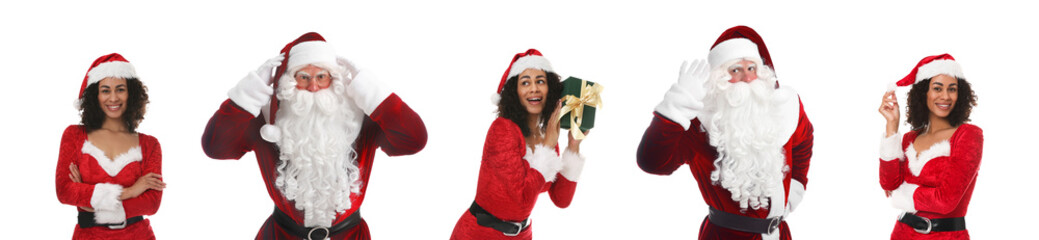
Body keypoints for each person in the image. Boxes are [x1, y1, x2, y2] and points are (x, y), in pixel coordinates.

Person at [201, 32, 427, 240]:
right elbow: (215, 147)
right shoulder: (267, 123)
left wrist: (372, 92)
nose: (313, 87)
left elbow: (414, 140)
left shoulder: (360, 121)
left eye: (321, 76)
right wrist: (249, 94)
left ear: (334, 79)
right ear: (290, 81)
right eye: (304, 77)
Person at [636, 26, 814, 240]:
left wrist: (796, 186)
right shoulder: (700, 124)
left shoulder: (783, 108)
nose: (747, 78)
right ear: (720, 78)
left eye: (751, 68)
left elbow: (803, 141)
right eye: (736, 70)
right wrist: (677, 106)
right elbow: (652, 162)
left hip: (780, 234)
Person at [449, 49, 588, 239]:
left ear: (551, 89)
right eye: (525, 82)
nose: (534, 88)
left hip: (522, 235)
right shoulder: (502, 129)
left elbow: (561, 200)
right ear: (514, 92)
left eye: (540, 81)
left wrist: (573, 146)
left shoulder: (547, 136)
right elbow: (519, 203)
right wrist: (548, 147)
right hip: (480, 234)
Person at [56, 53, 164, 239]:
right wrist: (130, 191)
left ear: (131, 93)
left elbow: (151, 203)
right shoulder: (74, 136)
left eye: (120, 89)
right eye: (105, 90)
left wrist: (90, 202)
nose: (113, 98)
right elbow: (65, 191)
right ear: (95, 95)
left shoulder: (150, 145)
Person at [877, 54, 981, 239]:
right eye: (937, 88)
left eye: (952, 89)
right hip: (902, 233)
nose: (945, 96)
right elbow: (889, 184)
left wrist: (902, 193)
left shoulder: (968, 135)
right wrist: (892, 126)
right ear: (924, 92)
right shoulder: (910, 138)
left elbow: (945, 201)